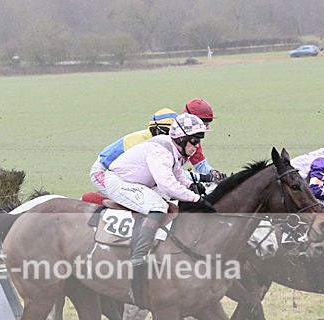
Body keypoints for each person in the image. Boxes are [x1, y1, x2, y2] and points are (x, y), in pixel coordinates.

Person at [102, 113, 214, 305]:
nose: (196, 146)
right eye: (194, 141)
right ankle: (138, 256)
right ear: (182, 139)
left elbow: (178, 175)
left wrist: (191, 186)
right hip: (119, 182)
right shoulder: (160, 151)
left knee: (172, 203)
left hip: (139, 182)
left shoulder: (174, 149)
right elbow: (167, 185)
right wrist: (196, 199)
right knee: (158, 206)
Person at [90, 108, 177, 195]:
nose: (170, 137)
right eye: (166, 132)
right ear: (155, 129)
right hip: (104, 172)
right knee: (137, 196)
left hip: (126, 173)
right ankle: (99, 199)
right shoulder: (139, 142)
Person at [182, 98, 224, 181]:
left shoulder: (193, 140)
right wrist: (202, 177)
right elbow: (170, 173)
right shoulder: (173, 139)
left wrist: (213, 173)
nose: (207, 128)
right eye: (204, 124)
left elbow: (200, 165)